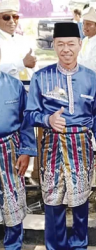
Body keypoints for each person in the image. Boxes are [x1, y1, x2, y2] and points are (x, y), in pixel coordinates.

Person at [24, 22, 96, 250]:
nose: (66, 49)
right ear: (53, 46)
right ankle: (55, 246)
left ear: (80, 44)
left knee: (80, 203)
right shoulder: (41, 77)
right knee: (53, 203)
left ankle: (79, 245)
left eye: (71, 43)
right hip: (52, 145)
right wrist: (47, 120)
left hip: (81, 145)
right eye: (60, 44)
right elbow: (29, 114)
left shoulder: (91, 79)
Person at [0, 49, 37, 250]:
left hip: (9, 149)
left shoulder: (14, 85)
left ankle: (13, 245)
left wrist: (26, 151)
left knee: (12, 198)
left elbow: (26, 122)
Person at [0, 0, 37, 80]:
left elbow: (34, 70)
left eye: (15, 17)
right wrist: (22, 63)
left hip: (28, 89)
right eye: (6, 17)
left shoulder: (23, 40)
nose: (12, 21)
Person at [78, 6, 96, 79]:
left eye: (88, 24)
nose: (84, 27)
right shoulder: (85, 40)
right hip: (84, 77)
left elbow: (95, 65)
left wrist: (76, 65)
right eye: (84, 24)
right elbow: (78, 57)